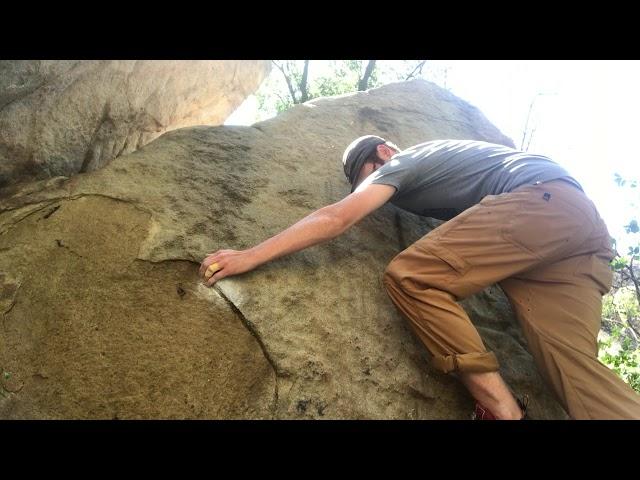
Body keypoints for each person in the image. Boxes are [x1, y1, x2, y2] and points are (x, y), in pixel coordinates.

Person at [199, 135, 640, 419]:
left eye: (363, 175)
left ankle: (502, 410)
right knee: (575, 374)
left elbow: (338, 217)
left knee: (412, 275)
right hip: (578, 232)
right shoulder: (458, 163)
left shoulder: (404, 161)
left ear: (384, 153)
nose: (363, 186)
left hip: (540, 205)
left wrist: (251, 255)